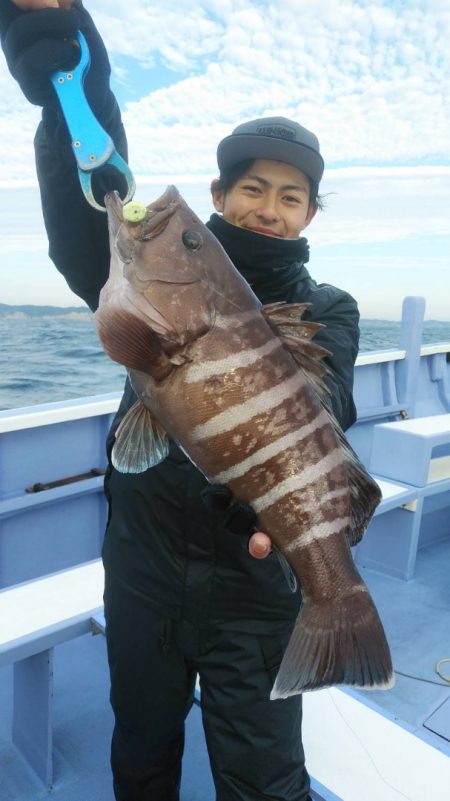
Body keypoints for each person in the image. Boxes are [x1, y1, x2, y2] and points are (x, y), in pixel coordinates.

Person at [1, 2, 360, 800]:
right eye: (252, 189)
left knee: (264, 776)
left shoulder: (331, 309)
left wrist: (262, 500)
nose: (269, 207)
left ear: (310, 213)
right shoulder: (148, 295)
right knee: (141, 748)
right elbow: (94, 196)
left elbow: (327, 401)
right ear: (219, 194)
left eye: (290, 196)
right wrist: (70, 57)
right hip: (145, 577)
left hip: (257, 594)